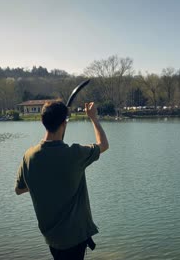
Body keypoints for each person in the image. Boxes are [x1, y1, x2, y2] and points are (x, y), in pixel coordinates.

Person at [15, 100, 109, 260]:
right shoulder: (75, 154)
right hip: (74, 237)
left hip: (52, 238)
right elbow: (103, 144)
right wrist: (93, 118)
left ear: (42, 121)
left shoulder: (29, 156)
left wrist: (45, 182)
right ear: (64, 123)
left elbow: (19, 189)